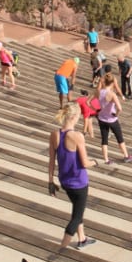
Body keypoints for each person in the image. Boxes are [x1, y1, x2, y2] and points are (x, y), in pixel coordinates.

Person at [48, 104, 98, 250]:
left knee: (78, 209)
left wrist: (50, 181)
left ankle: (82, 239)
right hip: (79, 183)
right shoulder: (77, 136)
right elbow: (85, 163)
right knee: (76, 217)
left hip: (64, 181)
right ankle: (61, 249)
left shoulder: (54, 134)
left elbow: (51, 161)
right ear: (75, 117)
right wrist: (96, 162)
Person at [97, 74, 132, 164]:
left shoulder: (99, 91)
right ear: (113, 83)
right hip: (111, 119)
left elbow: (89, 102)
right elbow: (120, 108)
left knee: (104, 139)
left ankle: (106, 159)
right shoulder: (112, 94)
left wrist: (97, 110)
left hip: (101, 118)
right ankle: (126, 156)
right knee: (119, 138)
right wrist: (116, 114)